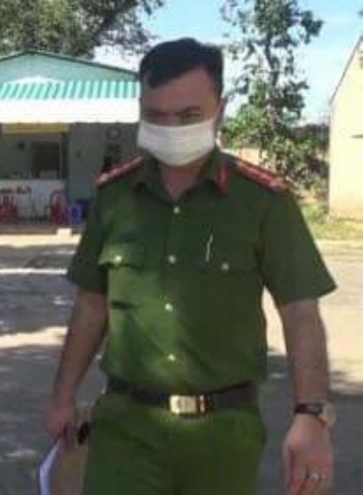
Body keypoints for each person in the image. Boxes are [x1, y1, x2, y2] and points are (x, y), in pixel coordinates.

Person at [45, 38, 336, 495]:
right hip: (125, 428)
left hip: (223, 436)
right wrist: (63, 397)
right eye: (156, 115)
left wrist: (311, 416)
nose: (170, 128)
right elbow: (91, 304)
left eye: (188, 116)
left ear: (220, 110)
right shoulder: (115, 198)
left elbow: (301, 314)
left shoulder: (263, 202)